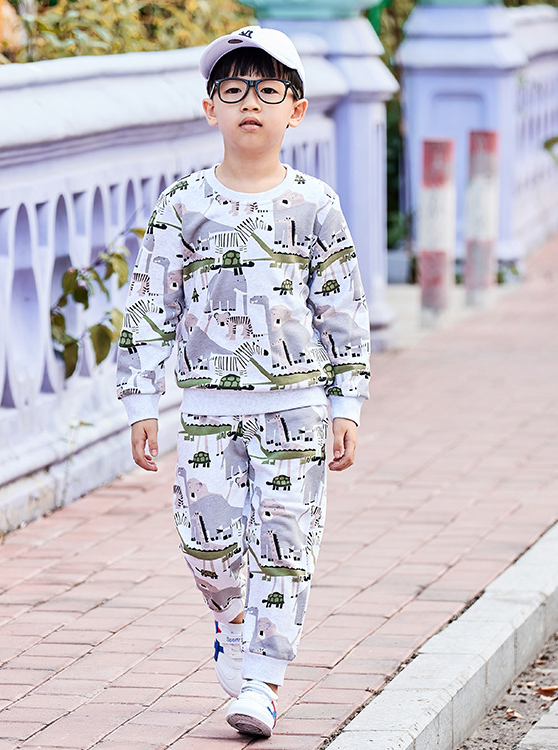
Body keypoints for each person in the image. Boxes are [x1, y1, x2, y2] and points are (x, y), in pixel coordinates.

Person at [116, 25, 370, 739]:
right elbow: (151, 304)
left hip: (297, 408)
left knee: (285, 545)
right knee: (209, 547)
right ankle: (232, 623)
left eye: (267, 91)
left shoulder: (315, 204)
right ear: (211, 110)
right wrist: (141, 401)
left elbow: (342, 309)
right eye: (233, 90)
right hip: (207, 409)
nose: (249, 103)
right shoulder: (184, 205)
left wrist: (346, 403)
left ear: (296, 110)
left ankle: (262, 681)